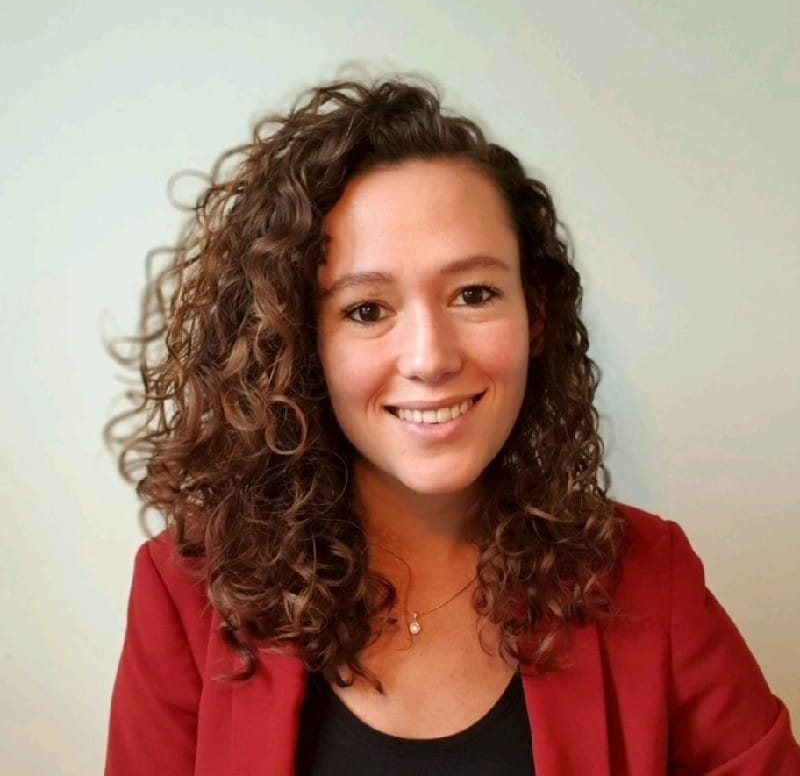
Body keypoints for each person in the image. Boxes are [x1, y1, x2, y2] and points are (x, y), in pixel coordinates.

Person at [104, 78, 800, 775]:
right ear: (296, 341)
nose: (430, 358)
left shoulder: (651, 577)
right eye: (367, 309)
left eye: (473, 294)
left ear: (536, 314)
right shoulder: (186, 594)